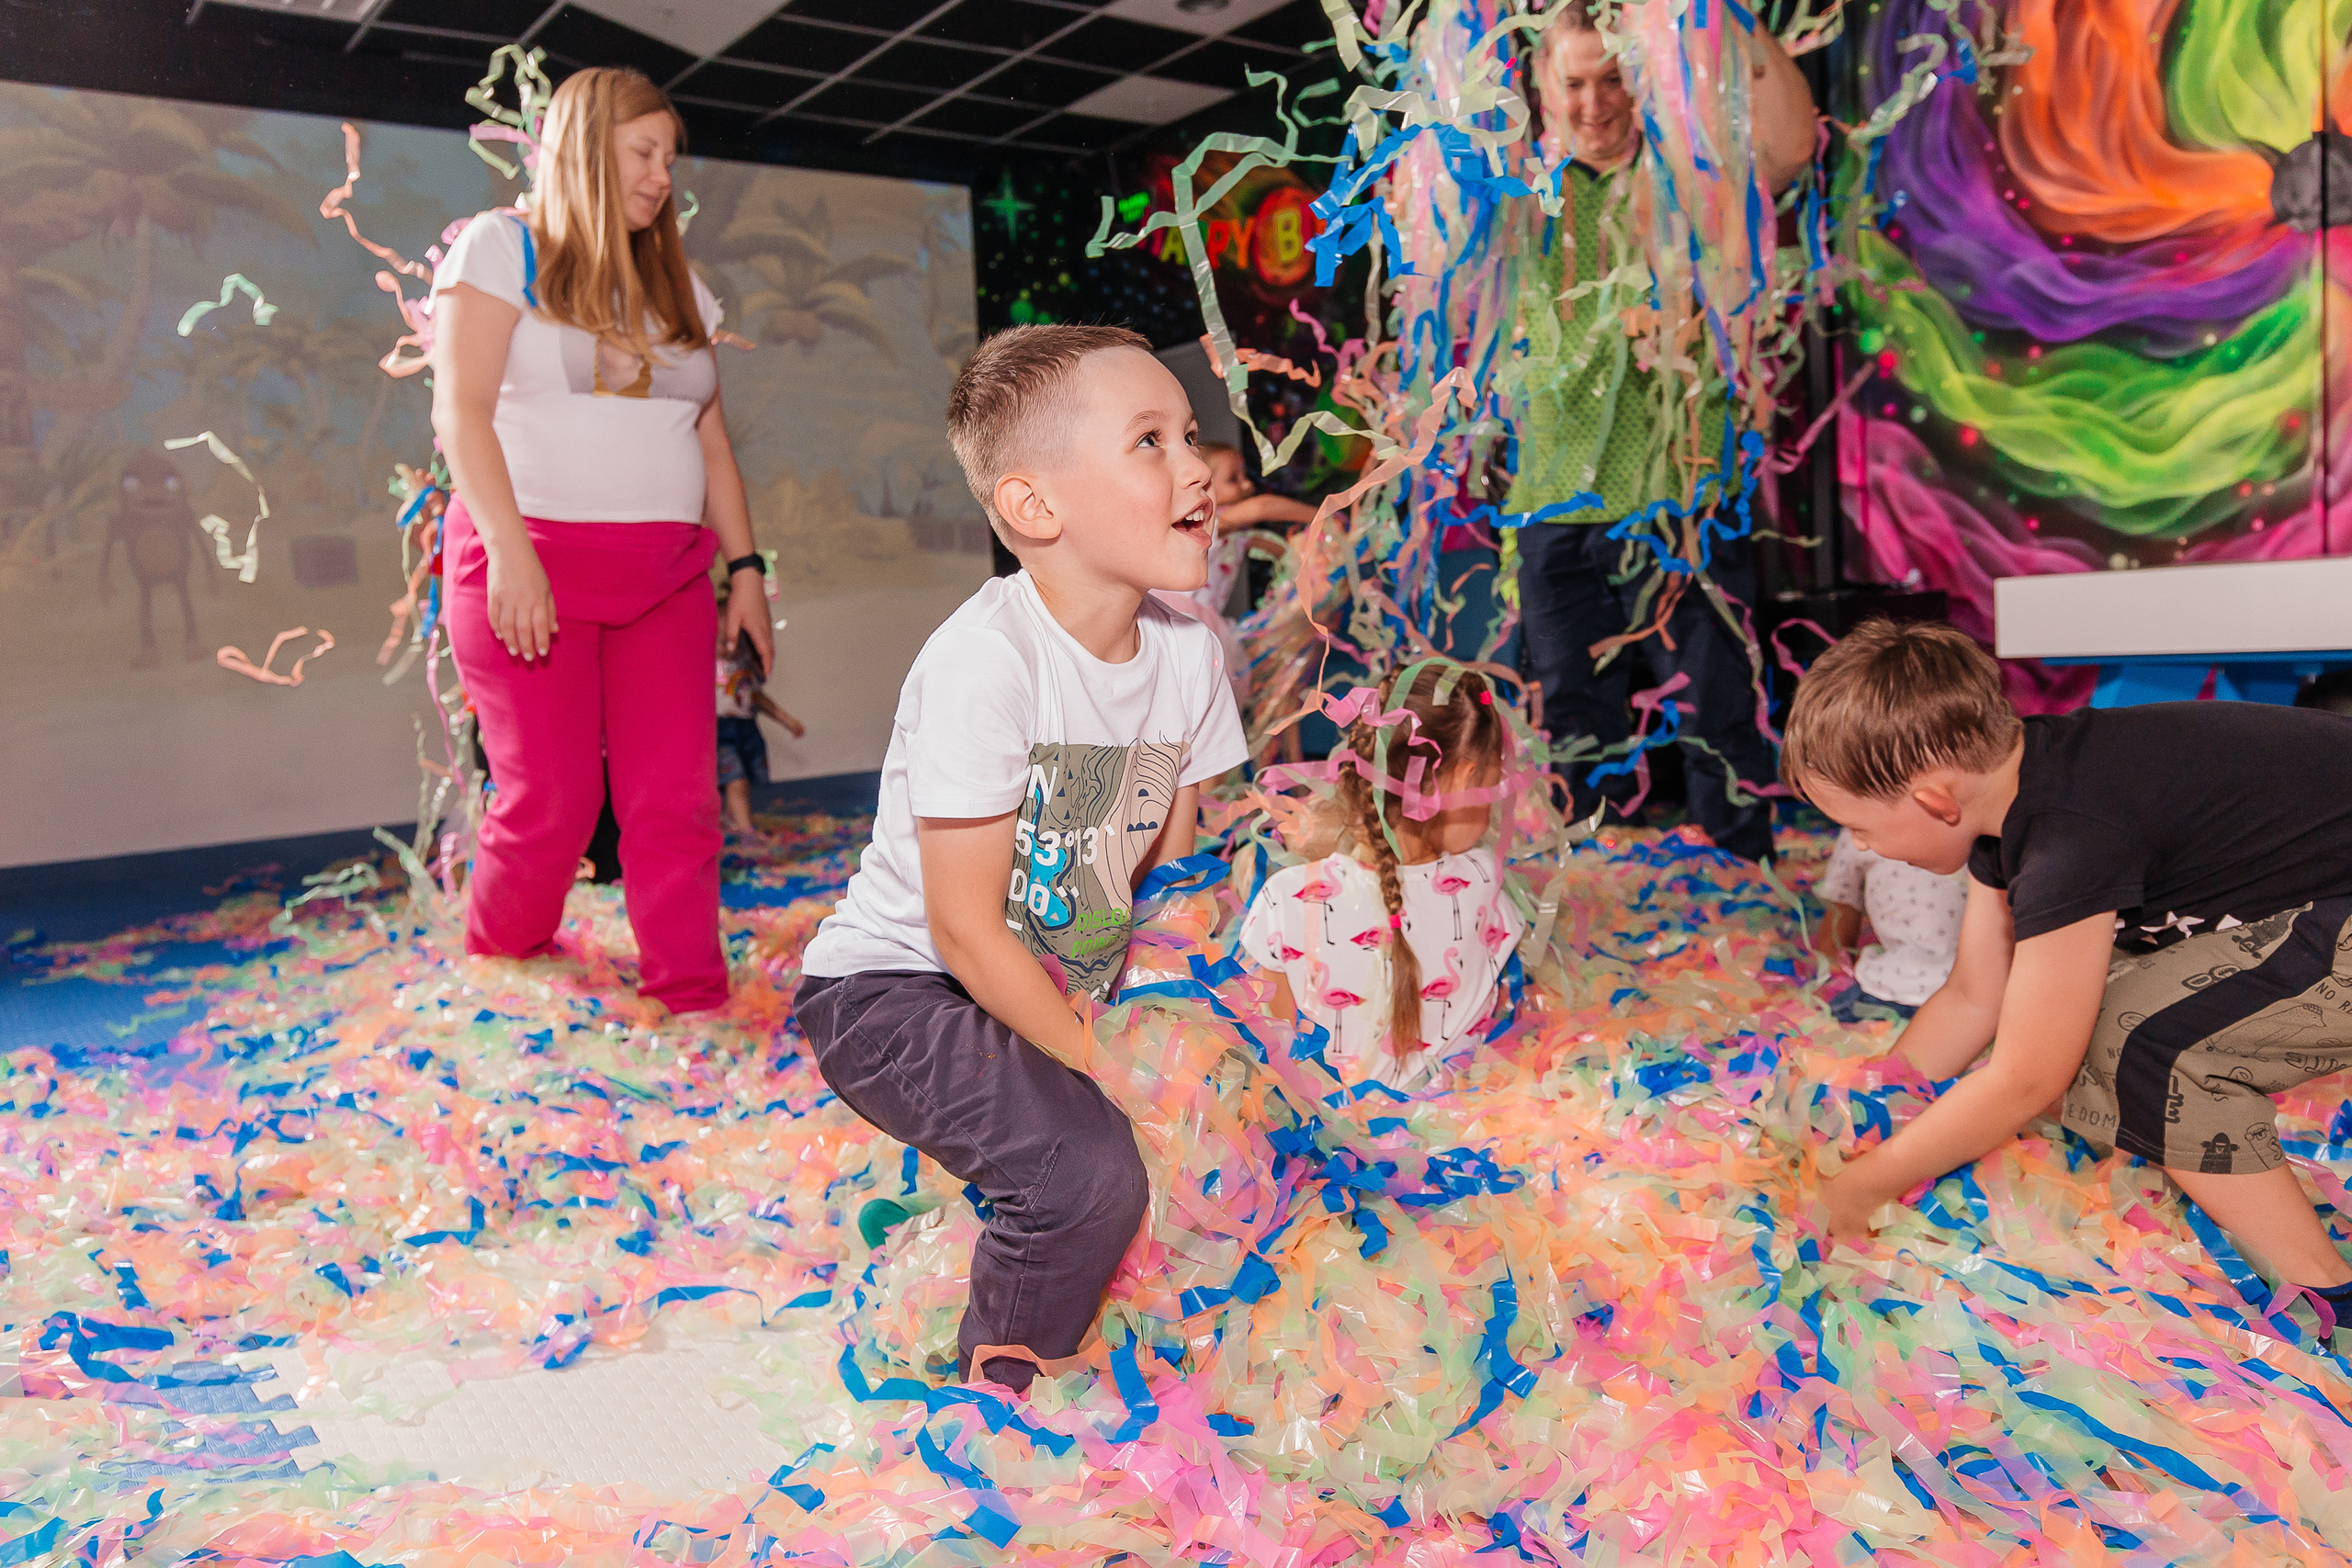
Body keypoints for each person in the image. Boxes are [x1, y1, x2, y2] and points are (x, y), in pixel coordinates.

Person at [795, 324, 1250, 1392]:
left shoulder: (1189, 655)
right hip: (898, 989)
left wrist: (1179, 1041)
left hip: (1057, 979)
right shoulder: (984, 662)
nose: (1195, 467)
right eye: (1149, 442)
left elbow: (1173, 887)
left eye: (1190, 436)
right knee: (1080, 1171)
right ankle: (1000, 1408)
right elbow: (964, 930)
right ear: (1034, 507)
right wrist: (1107, 1067)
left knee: (1216, 1141)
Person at [1785, 620, 2352, 1322]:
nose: (1862, 846)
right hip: (2312, 892)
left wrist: (1861, 1187)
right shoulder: (2015, 802)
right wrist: (1879, 1107)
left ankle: (2325, 1297)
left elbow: (2028, 1075)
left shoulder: (2069, 837)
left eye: (1859, 827)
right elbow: (1973, 996)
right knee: (2069, 1001)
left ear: (1935, 800)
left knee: (2140, 1044)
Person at [430, 66, 772, 1015]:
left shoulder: (684, 287)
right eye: (643, 152)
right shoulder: (500, 248)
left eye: (669, 157)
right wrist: (510, 553)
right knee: (554, 799)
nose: (663, 176)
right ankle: (504, 963)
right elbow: (460, 412)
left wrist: (745, 569)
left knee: (678, 801)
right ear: (582, 148)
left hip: (666, 581)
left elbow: (710, 441)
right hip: (528, 566)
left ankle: (692, 994)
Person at [1508, 0, 1816, 863]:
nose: (1594, 103)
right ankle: (1589, 882)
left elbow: (1791, 148)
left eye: (1613, 79)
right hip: (1553, 500)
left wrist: (1733, 18)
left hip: (1682, 492)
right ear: (1543, 86)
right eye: (1574, 83)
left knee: (1717, 702)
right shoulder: (1517, 194)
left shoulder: (1694, 178)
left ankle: (1742, 876)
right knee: (1573, 715)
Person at [1238, 661, 1525, 1089]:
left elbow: (1271, 1060)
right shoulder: (1485, 882)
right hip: (1458, 1121)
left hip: (1325, 1127)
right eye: (1492, 781)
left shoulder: (1283, 899)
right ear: (1465, 779)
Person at [1812, 827, 1966, 1023]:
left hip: (1892, 989)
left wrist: (1832, 978)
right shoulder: (1979, 828)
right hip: (1977, 994)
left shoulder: (1859, 829)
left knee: (1825, 1021)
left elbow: (1837, 929)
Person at [718, 617, 805, 838]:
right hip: (720, 729)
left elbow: (758, 698)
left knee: (744, 778)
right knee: (735, 779)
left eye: (735, 642)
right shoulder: (707, 667)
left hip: (746, 727)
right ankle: (746, 830)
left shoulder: (744, 667)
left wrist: (787, 720)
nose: (729, 649)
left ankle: (733, 816)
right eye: (722, 642)